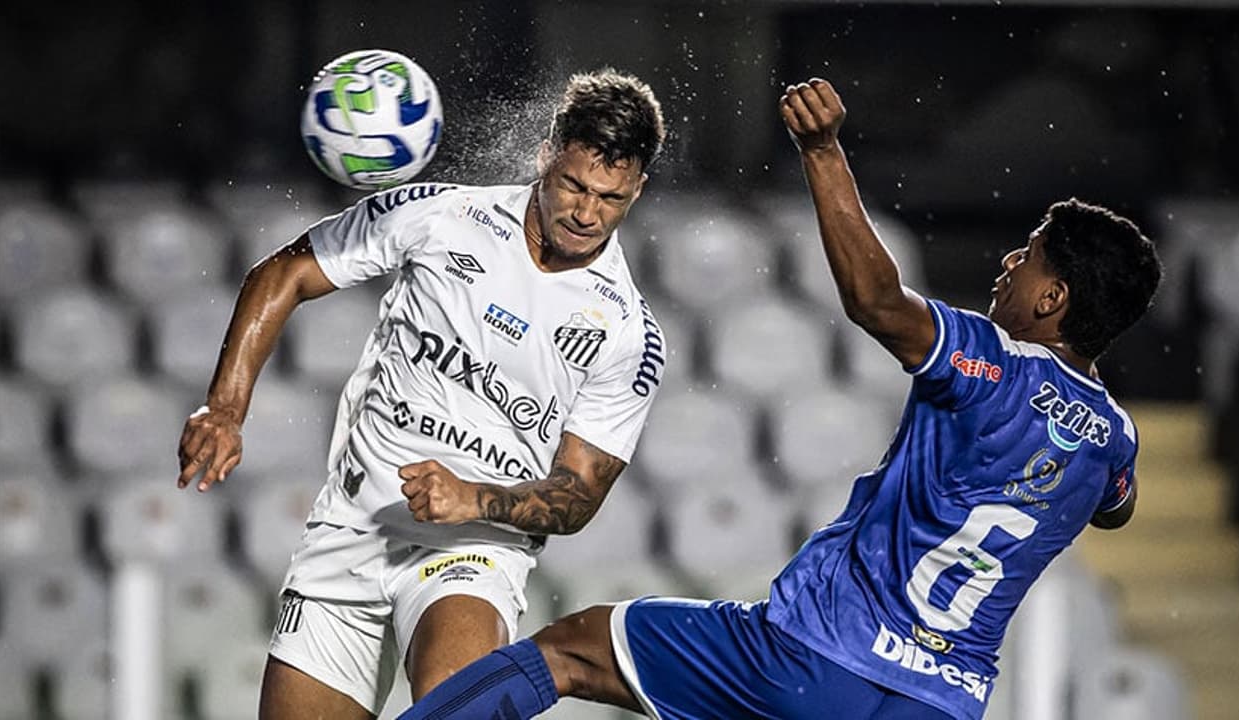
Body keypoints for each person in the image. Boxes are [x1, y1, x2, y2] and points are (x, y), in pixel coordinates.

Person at [393, 77, 1163, 720]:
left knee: (571, 650)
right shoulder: (1115, 440)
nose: (1008, 261)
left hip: (817, 659)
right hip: (939, 703)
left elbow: (875, 301)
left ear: (1052, 297)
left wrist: (822, 151)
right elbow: (1115, 509)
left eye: (1027, 256)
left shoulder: (993, 362)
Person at [175, 68, 668, 719]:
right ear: (548, 153)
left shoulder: (628, 332)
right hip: (353, 525)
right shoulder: (442, 216)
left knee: (454, 710)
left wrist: (473, 499)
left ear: (637, 188)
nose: (585, 212)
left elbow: (577, 496)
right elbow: (286, 270)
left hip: (473, 548)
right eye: (574, 185)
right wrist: (226, 408)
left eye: (611, 198)